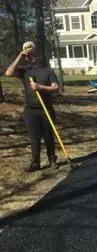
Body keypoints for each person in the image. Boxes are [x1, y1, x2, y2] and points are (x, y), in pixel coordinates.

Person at [5, 41, 59, 172]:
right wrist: (19, 56)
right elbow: (8, 73)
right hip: (30, 111)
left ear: (37, 55)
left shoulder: (48, 70)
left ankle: (52, 160)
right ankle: (36, 162)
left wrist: (40, 87)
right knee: (34, 138)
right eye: (28, 55)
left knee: (48, 136)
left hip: (46, 109)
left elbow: (55, 87)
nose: (30, 57)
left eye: (32, 54)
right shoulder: (25, 71)